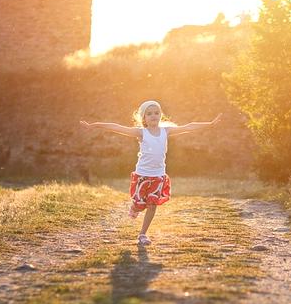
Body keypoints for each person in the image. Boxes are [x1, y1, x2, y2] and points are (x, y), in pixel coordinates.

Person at [80, 100, 221, 245]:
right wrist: (94, 125)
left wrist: (209, 124)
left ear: (160, 115)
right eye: (149, 113)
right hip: (142, 175)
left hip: (158, 176)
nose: (153, 116)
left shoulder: (166, 131)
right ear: (144, 118)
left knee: (152, 205)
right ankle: (134, 207)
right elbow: (116, 127)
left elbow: (189, 126)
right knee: (140, 205)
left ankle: (142, 234)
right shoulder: (141, 132)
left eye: (156, 113)